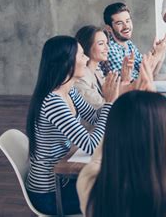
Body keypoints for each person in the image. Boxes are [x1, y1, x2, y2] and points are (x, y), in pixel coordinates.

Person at [25, 36, 119, 215]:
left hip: (64, 179)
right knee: (117, 196)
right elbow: (91, 145)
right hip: (50, 194)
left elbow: (93, 117)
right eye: (82, 55)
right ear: (67, 63)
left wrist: (110, 100)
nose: (86, 60)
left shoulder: (69, 91)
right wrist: (109, 103)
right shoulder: (53, 101)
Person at [77, 91, 166, 217]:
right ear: (162, 140)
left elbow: (100, 156)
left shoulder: (89, 186)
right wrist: (155, 110)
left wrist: (125, 110)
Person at [100, 2, 166, 79]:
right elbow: (138, 81)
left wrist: (161, 53)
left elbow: (152, 74)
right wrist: (157, 54)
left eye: (128, 21)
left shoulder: (128, 44)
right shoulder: (109, 49)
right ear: (108, 28)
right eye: (119, 23)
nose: (126, 26)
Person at [74, 25, 133, 109]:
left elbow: (113, 97)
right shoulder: (80, 78)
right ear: (86, 46)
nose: (107, 48)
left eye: (107, 43)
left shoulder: (97, 70)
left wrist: (125, 80)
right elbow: (102, 107)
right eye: (101, 44)